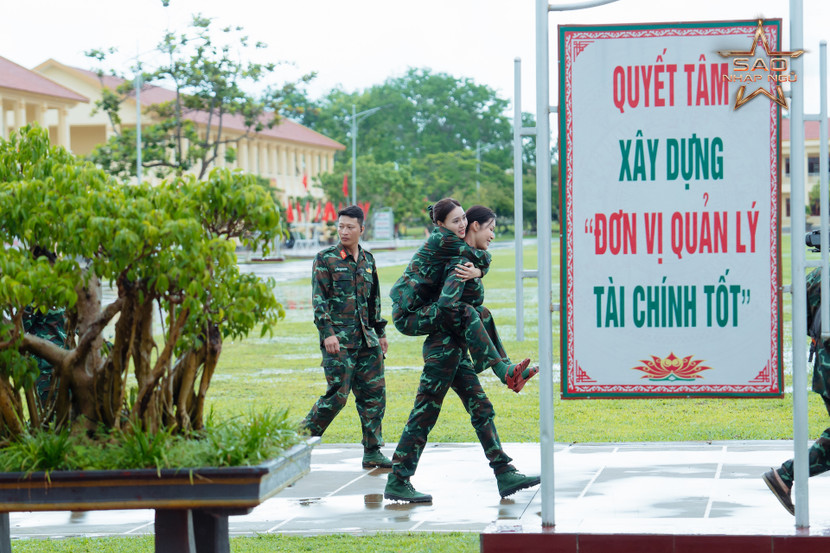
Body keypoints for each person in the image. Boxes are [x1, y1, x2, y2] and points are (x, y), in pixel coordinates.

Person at [384, 205, 541, 503]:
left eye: (462, 220)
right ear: (475, 228)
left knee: (480, 406)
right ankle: (398, 479)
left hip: (453, 345)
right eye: (490, 228)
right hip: (442, 346)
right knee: (425, 411)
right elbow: (446, 305)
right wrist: (477, 275)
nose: (493, 234)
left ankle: (503, 471)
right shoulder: (457, 258)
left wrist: (478, 274)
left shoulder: (464, 257)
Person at [389, 198, 536, 391]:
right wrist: (480, 271)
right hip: (408, 313)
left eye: (463, 218)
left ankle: (508, 369)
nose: (462, 224)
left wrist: (479, 271)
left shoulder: (453, 242)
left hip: (422, 307)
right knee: (466, 311)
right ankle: (502, 370)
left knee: (482, 312)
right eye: (455, 221)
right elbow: (481, 257)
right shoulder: (443, 239)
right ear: (441, 225)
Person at [301, 205, 392, 469]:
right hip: (338, 342)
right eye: (340, 226)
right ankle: (298, 443)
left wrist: (381, 332)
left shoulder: (368, 260)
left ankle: (373, 450)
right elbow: (319, 301)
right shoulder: (325, 258)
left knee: (374, 395)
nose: (344, 231)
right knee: (336, 397)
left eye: (350, 227)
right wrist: (327, 334)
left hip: (367, 341)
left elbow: (373, 300)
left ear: (361, 229)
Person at [764, 266, 830, 514]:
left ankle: (785, 475)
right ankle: (785, 474)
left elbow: (804, 319)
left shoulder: (816, 276)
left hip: (825, 364)